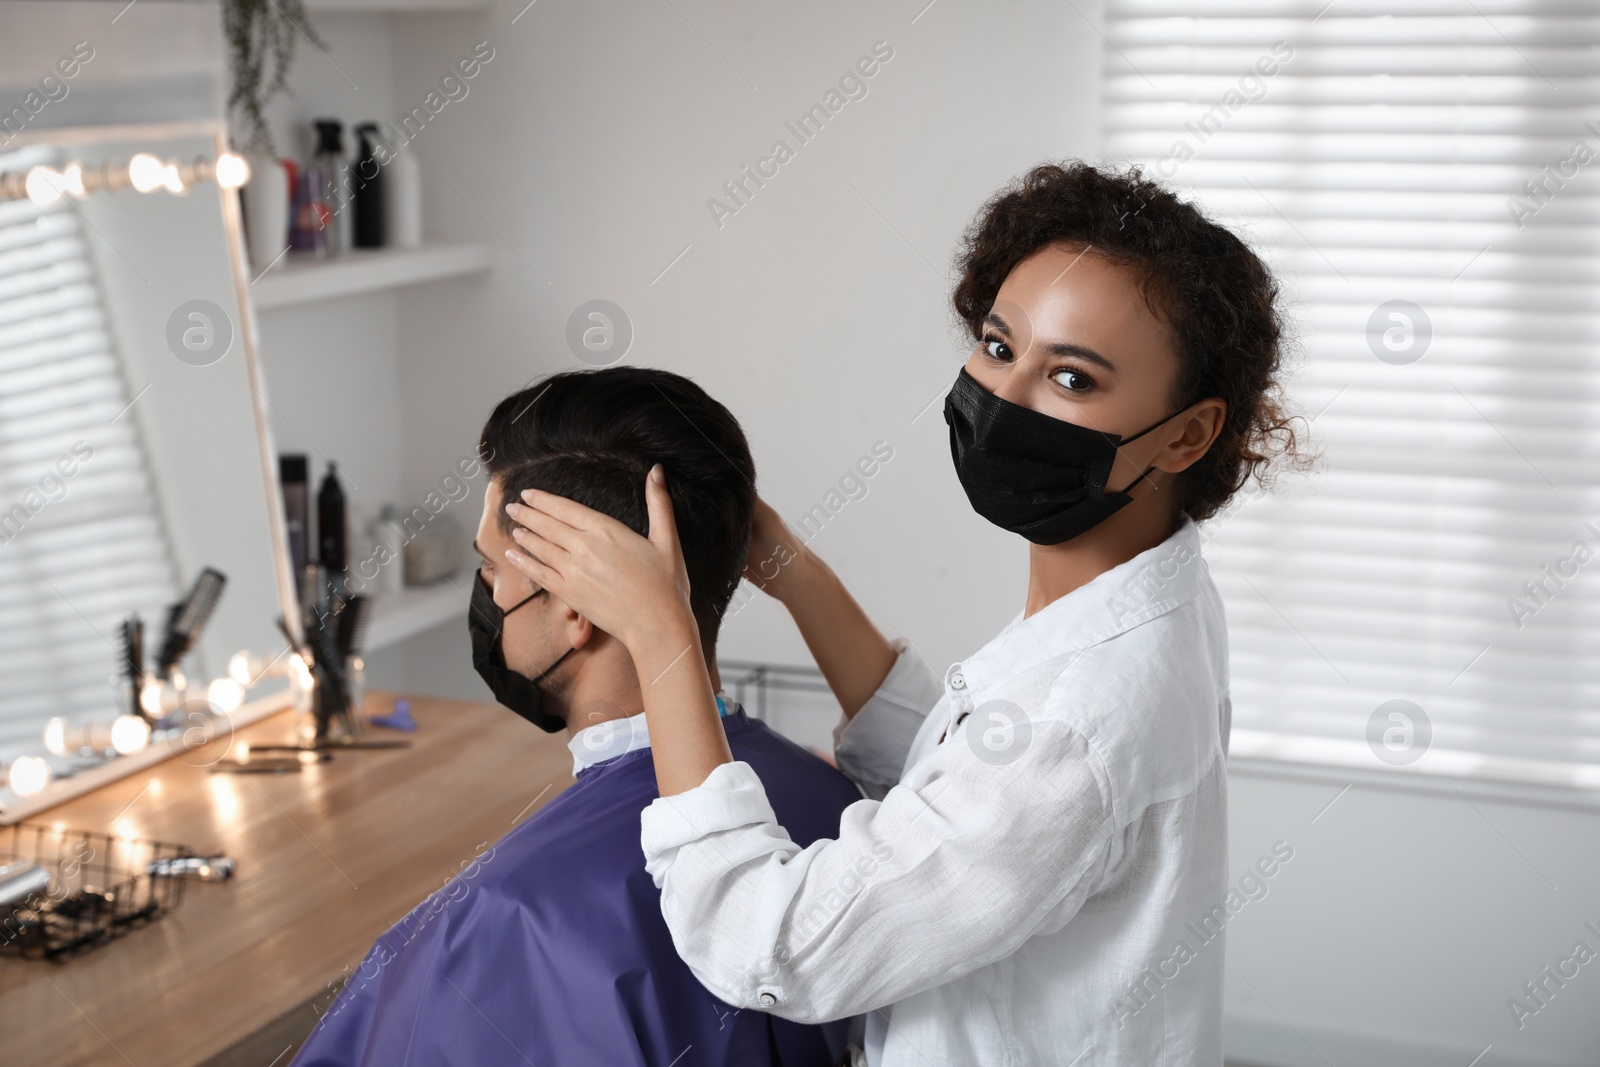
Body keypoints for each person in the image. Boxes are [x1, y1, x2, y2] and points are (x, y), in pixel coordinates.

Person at [500, 162, 1310, 1065]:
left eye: (1073, 379)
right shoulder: (1148, 597)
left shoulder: (1080, 720)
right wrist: (793, 571)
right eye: (999, 347)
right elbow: (964, 767)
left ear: (1188, 433)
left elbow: (773, 948)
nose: (1003, 397)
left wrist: (663, 636)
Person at [291, 368, 865, 1067]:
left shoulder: (511, 913)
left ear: (573, 608)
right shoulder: (833, 795)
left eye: (492, 572)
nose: (484, 596)